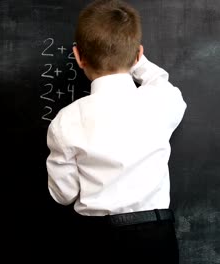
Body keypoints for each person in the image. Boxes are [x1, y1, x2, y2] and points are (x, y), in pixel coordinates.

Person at [46, 0, 186, 263]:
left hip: (95, 240)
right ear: (138, 55)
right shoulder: (161, 100)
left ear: (78, 56)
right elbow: (160, 81)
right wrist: (138, 62)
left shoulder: (65, 120)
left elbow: (63, 195)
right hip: (154, 238)